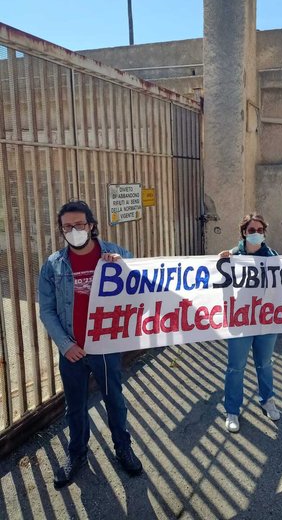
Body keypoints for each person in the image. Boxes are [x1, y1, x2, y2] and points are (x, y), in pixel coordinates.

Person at [39, 200, 143, 488]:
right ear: (62, 230)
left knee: (115, 401)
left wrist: (124, 267)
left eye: (80, 225)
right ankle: (77, 453)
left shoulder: (115, 254)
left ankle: (123, 447)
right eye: (67, 227)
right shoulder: (53, 265)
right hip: (73, 350)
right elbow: (46, 309)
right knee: (75, 406)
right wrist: (65, 344)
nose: (74, 231)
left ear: (92, 225)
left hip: (106, 348)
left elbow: (143, 283)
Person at [219, 213, 280, 433]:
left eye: (260, 230)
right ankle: (232, 410)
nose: (256, 234)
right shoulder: (232, 257)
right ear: (244, 232)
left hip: (266, 321)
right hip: (241, 322)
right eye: (251, 230)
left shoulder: (274, 258)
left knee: (265, 363)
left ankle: (267, 400)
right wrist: (223, 261)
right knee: (236, 367)